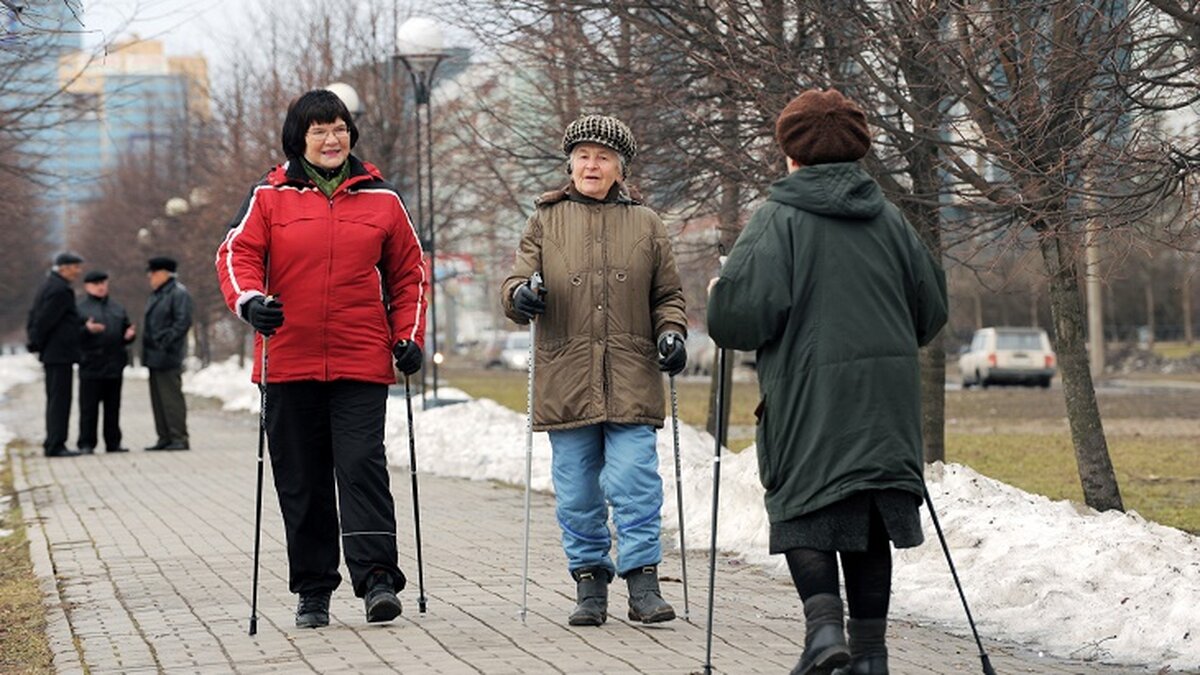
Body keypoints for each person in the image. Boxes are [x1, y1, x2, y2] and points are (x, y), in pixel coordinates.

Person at [706, 88, 948, 675]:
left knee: (804, 506)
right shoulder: (890, 218)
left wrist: (720, 295)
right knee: (867, 518)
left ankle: (822, 634)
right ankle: (870, 655)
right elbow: (931, 311)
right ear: (857, 151)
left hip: (808, 396)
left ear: (791, 154)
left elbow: (738, 322)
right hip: (886, 403)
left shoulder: (777, 218)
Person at [215, 89, 426, 629]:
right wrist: (251, 302)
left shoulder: (383, 200)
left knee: (361, 466)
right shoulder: (268, 196)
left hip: (361, 358)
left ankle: (377, 577)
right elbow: (236, 254)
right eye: (319, 131)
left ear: (351, 134)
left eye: (339, 128)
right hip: (288, 359)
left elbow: (409, 275)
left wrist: (407, 335)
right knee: (302, 478)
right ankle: (313, 588)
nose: (332, 139)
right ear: (298, 139)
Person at [500, 114, 688, 627]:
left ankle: (644, 583)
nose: (591, 164)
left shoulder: (647, 222)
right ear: (570, 163)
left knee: (634, 480)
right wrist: (522, 295)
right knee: (578, 490)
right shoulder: (545, 220)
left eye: (603, 157)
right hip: (568, 378)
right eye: (583, 155)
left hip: (631, 373)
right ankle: (589, 584)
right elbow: (514, 287)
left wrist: (672, 332)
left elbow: (668, 296)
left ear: (619, 168)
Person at [27, 252, 90, 457]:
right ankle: (56, 444)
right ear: (63, 267)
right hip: (59, 352)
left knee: (56, 398)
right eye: (75, 267)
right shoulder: (60, 290)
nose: (78, 271)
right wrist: (37, 342)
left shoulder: (50, 285)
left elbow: (35, 315)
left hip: (54, 351)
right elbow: (46, 319)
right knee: (60, 400)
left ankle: (54, 442)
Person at [77, 270, 136, 454]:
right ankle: (86, 443)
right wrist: (86, 330)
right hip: (91, 364)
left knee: (113, 407)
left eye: (103, 283)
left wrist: (129, 336)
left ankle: (113, 443)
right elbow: (73, 335)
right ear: (87, 286)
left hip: (114, 364)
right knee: (89, 408)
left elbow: (125, 331)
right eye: (96, 284)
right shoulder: (79, 308)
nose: (101, 287)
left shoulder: (117, 308)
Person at [143, 256, 193, 451]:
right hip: (154, 355)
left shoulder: (178, 293)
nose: (150, 277)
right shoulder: (158, 294)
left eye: (153, 273)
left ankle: (178, 437)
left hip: (168, 354)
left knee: (171, 398)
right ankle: (164, 436)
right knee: (158, 399)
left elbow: (182, 322)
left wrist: (165, 341)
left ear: (165, 273)